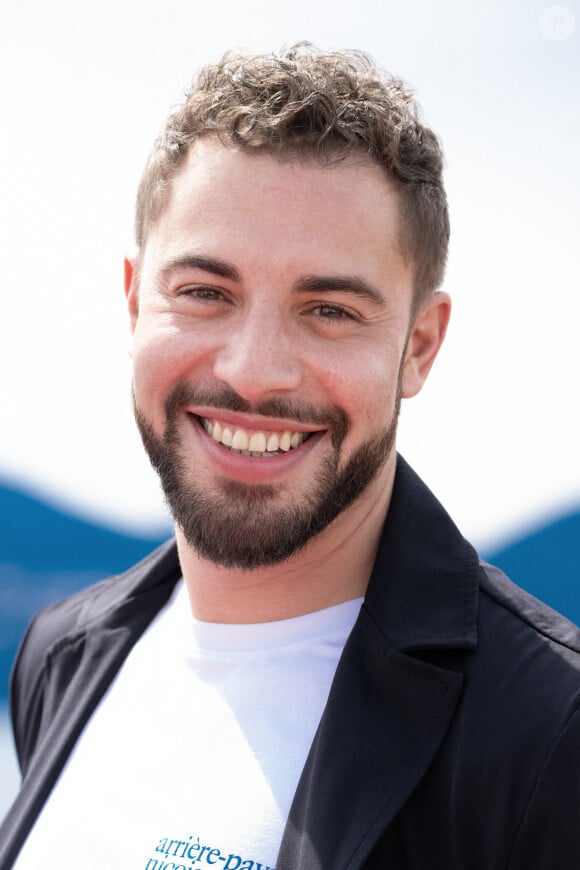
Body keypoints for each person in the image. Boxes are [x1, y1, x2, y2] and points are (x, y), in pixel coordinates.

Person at [1, 44, 580, 870]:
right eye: (204, 293)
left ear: (419, 346)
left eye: (330, 310)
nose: (251, 371)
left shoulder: (548, 734)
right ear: (134, 302)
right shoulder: (60, 653)